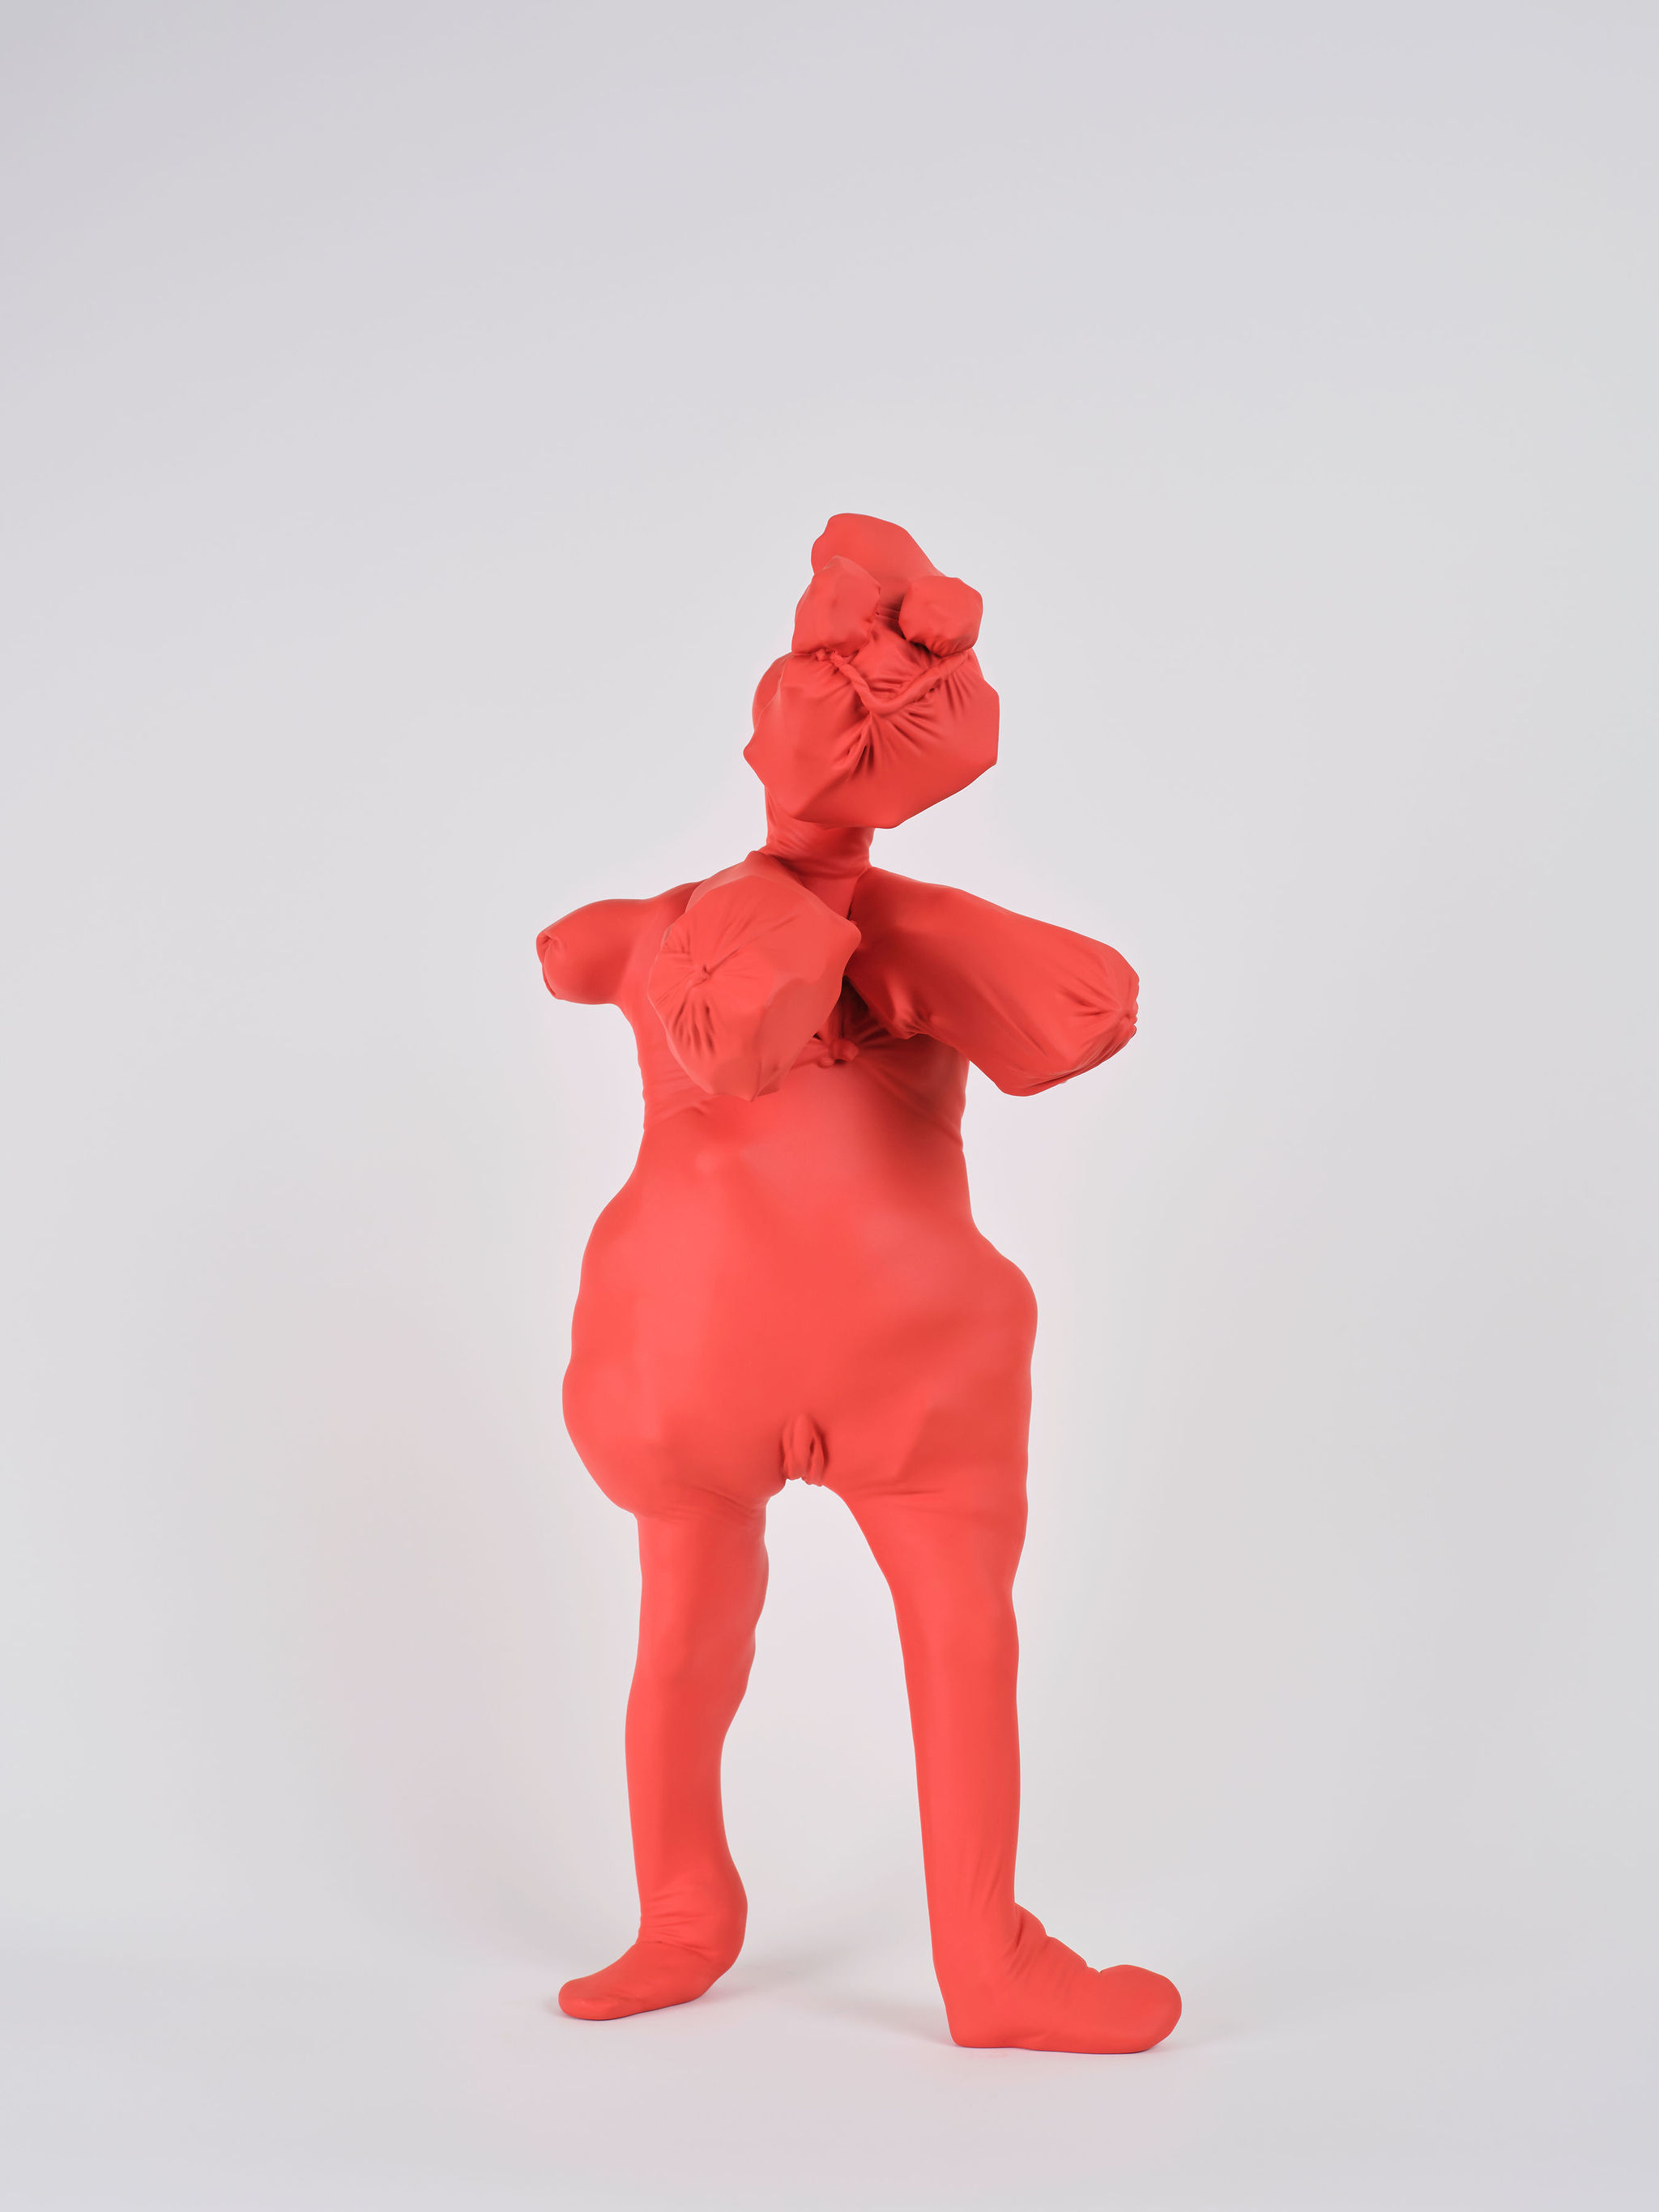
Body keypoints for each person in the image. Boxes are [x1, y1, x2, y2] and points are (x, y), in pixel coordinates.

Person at [536, 514, 1180, 2053]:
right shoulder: (910, 940)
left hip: (697, 1354)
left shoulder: (671, 934)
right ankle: (980, 1963)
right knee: (951, 1638)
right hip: (902, 1363)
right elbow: (1086, 1008)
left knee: (692, 1632)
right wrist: (889, 924)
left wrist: (711, 926)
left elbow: (564, 953)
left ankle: (687, 1916)